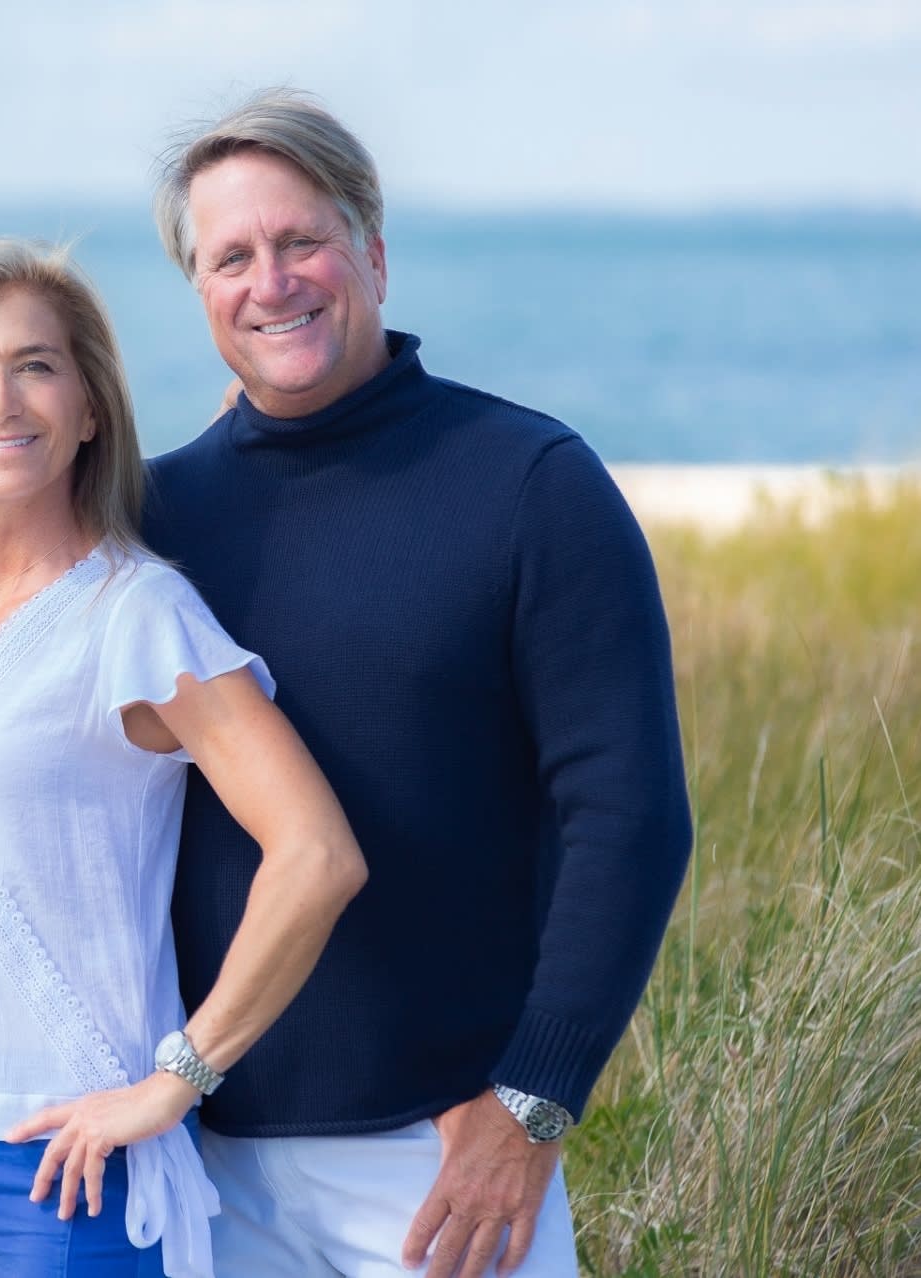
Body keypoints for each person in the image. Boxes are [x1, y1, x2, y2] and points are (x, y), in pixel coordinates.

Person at [142, 89, 694, 1278]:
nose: (270, 281)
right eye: (231, 256)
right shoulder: (153, 514)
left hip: (444, 1165)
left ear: (372, 254)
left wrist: (535, 1100)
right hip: (200, 1159)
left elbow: (630, 818)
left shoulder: (529, 483)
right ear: (199, 290)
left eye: (302, 242)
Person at [0, 239, 367, 1278]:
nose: (1, 399)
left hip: (75, 1167)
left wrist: (175, 1081)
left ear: (87, 410)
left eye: (36, 364)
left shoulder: (137, 615)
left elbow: (316, 854)